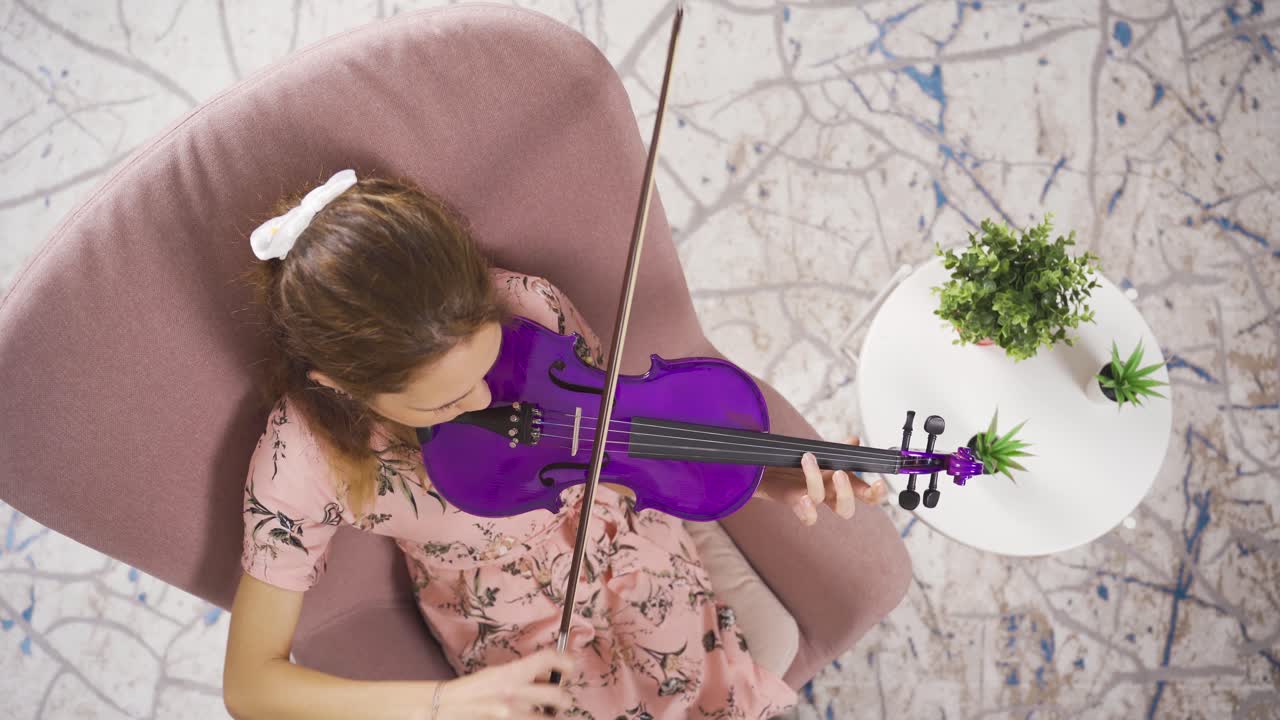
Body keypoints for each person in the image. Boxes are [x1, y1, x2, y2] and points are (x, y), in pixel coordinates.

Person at [221, 170, 888, 719]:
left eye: (486, 368)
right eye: (445, 402)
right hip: (515, 635)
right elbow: (250, 686)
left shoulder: (530, 309)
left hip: (638, 554)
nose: (483, 400)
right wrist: (440, 703)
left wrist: (759, 476)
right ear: (340, 384)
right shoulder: (302, 458)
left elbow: (617, 443)